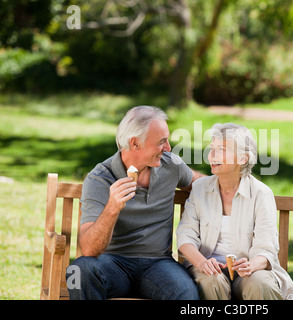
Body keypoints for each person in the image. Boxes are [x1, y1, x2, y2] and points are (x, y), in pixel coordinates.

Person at [66, 106, 202, 300]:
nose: (168, 148)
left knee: (185, 291)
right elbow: (89, 250)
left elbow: (203, 185)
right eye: (161, 142)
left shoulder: (171, 165)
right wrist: (112, 207)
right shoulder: (100, 178)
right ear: (135, 143)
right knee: (78, 271)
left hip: (158, 265)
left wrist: (242, 184)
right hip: (113, 265)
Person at [176, 123, 293, 300]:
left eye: (221, 149)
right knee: (211, 281)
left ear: (242, 158)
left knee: (261, 284)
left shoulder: (261, 194)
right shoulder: (200, 188)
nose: (212, 154)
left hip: (249, 271)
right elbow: (185, 236)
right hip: (207, 267)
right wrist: (202, 262)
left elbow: (267, 249)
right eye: (212, 148)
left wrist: (251, 265)